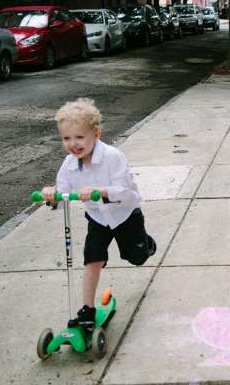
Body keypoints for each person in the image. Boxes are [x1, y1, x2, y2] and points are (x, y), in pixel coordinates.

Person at [41, 98, 155, 332]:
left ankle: (147, 244)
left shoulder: (112, 157)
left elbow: (125, 191)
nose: (73, 144)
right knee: (93, 259)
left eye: (79, 137)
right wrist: (51, 195)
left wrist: (98, 191)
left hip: (125, 214)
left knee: (137, 257)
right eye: (66, 138)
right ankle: (87, 309)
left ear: (96, 135)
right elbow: (62, 195)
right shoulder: (68, 164)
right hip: (98, 219)